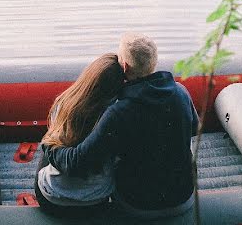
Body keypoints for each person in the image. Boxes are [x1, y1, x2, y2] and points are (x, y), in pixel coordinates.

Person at [43, 32, 198, 218]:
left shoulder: (118, 112)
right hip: (184, 197)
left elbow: (78, 162)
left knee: (56, 143)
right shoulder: (181, 92)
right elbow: (194, 129)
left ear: (124, 66)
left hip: (138, 204)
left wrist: (49, 147)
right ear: (154, 63)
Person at [34, 52, 124, 216]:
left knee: (51, 141)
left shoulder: (64, 103)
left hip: (52, 200)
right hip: (96, 202)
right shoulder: (116, 116)